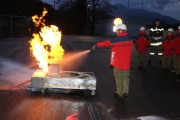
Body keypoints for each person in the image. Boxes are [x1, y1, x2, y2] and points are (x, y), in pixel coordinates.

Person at [92, 23, 133, 99]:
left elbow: (106, 43)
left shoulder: (117, 40)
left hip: (118, 63)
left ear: (121, 30)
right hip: (126, 64)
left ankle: (119, 93)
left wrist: (97, 45)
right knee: (125, 78)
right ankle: (125, 92)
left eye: (117, 31)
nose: (117, 32)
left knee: (118, 78)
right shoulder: (130, 39)